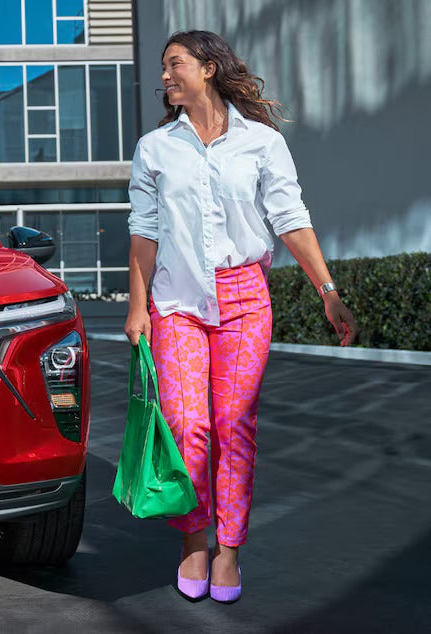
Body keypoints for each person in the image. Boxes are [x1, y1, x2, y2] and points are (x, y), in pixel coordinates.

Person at [124, 30, 357, 604]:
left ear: (208, 68)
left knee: (234, 426)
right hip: (177, 301)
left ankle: (229, 549)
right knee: (187, 425)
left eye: (175, 64)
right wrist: (137, 308)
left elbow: (290, 218)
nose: (165, 76)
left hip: (245, 300)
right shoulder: (156, 148)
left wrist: (327, 289)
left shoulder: (262, 143)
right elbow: (144, 233)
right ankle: (193, 542)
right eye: (163, 68)